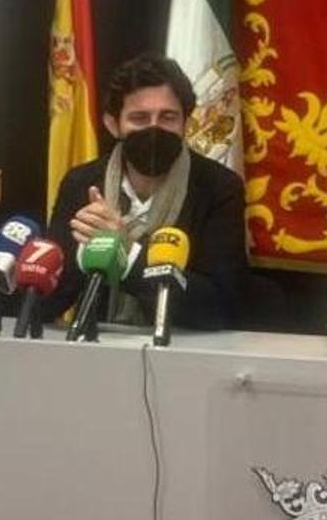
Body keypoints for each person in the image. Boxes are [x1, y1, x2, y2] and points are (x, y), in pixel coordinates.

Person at [40, 53, 247, 330]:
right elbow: (50, 299)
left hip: (184, 351)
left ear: (186, 123)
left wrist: (126, 255)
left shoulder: (219, 187)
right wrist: (83, 255)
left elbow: (220, 307)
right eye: (139, 118)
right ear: (113, 124)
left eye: (167, 118)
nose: (154, 129)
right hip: (97, 348)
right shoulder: (82, 183)